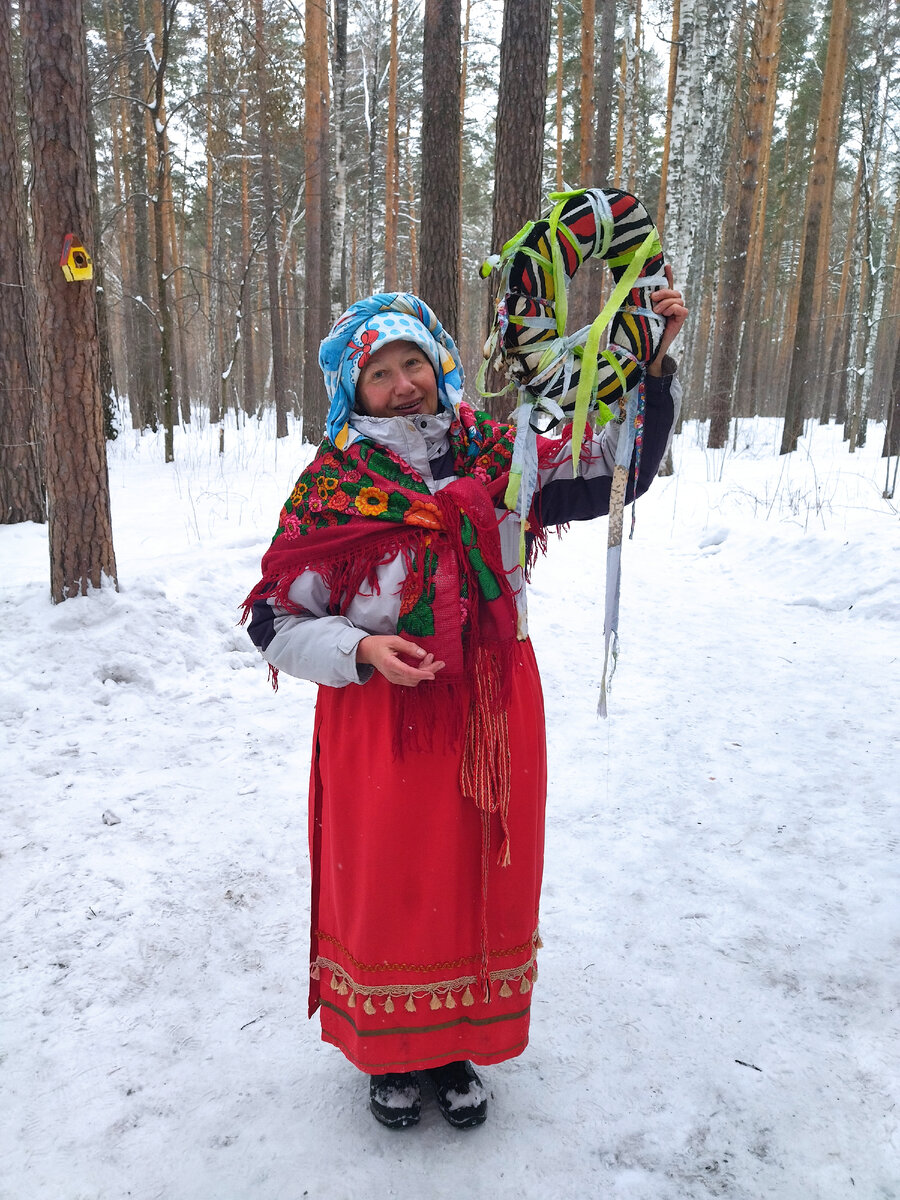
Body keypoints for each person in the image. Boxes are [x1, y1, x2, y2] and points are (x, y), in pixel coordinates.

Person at [244, 282, 687, 1130]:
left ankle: (452, 1049)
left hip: (494, 708)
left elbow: (612, 476)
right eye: (381, 372)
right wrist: (362, 649)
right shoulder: (333, 484)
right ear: (352, 388)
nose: (403, 382)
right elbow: (273, 620)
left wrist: (652, 364)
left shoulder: (503, 454)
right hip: (382, 720)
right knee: (393, 882)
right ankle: (388, 1053)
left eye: (414, 361)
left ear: (441, 366)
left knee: (482, 874)